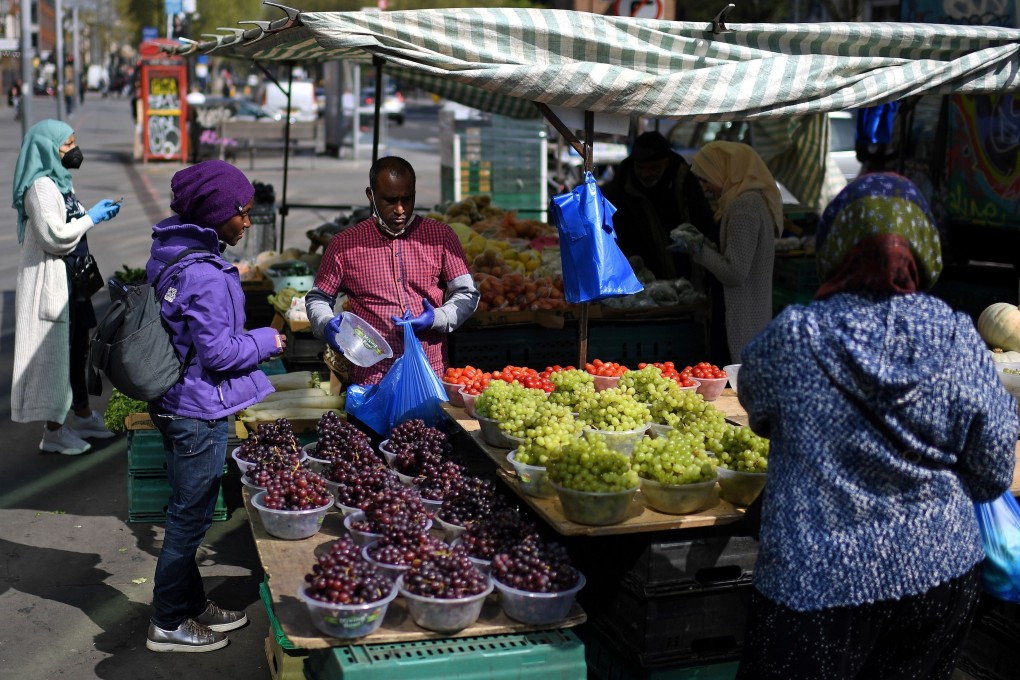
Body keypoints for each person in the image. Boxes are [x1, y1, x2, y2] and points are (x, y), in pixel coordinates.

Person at [735, 173, 1018, 680]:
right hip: (938, 577)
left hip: (814, 585)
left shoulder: (797, 336)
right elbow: (995, 469)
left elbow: (757, 411)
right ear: (922, 250)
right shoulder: (956, 336)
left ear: (835, 248)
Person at [144, 159, 287, 652]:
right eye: (242, 212)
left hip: (174, 399)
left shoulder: (171, 251)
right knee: (189, 518)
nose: (248, 222)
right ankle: (166, 620)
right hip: (197, 410)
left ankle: (190, 604)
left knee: (188, 510)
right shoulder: (204, 273)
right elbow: (221, 353)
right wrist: (269, 339)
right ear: (214, 213)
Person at [305, 156, 479, 387]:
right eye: (390, 200)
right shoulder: (344, 245)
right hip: (372, 379)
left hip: (429, 375)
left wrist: (437, 318)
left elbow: (467, 294)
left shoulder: (441, 237)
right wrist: (325, 323)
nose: (400, 210)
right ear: (371, 195)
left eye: (407, 200)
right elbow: (318, 297)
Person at [11, 120, 122, 455]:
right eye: (67, 144)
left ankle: (83, 415)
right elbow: (55, 236)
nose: (74, 150)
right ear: (48, 149)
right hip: (54, 287)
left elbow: (67, 219)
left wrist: (91, 212)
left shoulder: (59, 182)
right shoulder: (39, 189)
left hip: (73, 283)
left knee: (77, 353)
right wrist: (92, 218)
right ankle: (53, 432)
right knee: (57, 360)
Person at [673, 141, 784, 364]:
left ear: (724, 171)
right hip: (736, 316)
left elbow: (734, 272)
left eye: (706, 179)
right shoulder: (742, 201)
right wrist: (704, 244)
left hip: (740, 320)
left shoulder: (744, 206)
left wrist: (699, 249)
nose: (705, 188)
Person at [601, 130, 716, 280]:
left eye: (653, 168)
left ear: (666, 163)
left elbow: (704, 223)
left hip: (688, 274)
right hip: (640, 280)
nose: (645, 174)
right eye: (640, 168)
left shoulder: (685, 182)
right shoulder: (618, 190)